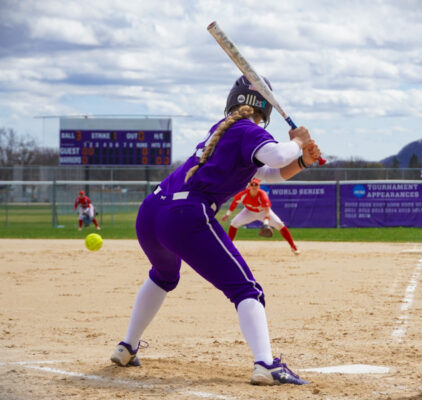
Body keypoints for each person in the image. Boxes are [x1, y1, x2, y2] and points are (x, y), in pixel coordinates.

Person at [109, 75, 321, 386]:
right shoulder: (247, 129)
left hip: (152, 211)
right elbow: (277, 155)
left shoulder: (224, 132)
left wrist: (302, 160)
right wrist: (298, 141)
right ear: (266, 110)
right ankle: (266, 364)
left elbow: (269, 172)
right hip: (184, 215)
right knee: (248, 290)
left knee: (164, 275)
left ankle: (127, 346)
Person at [221, 178, 300, 255]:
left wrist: (266, 223)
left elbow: (267, 212)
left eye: (256, 185)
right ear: (249, 186)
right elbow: (234, 203)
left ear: (259, 186)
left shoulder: (262, 195)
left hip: (262, 212)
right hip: (248, 212)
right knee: (234, 222)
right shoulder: (243, 194)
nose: (254, 186)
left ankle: (293, 246)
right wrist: (227, 214)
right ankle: (228, 247)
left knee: (279, 224)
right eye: (252, 184)